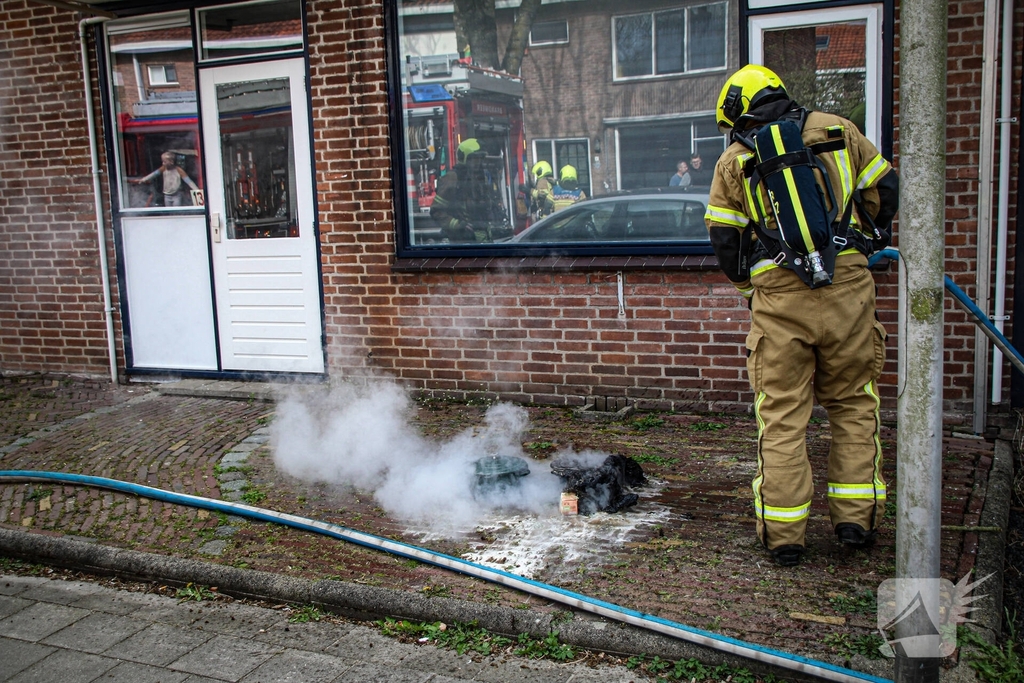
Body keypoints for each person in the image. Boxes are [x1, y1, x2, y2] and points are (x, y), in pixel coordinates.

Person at [704, 64, 899, 567]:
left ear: (737, 112)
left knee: (783, 417)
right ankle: (856, 520)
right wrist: (860, 245)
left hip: (778, 299)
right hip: (848, 290)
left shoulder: (734, 160)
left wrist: (752, 288)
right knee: (854, 404)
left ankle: (785, 536)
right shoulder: (840, 130)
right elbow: (885, 191)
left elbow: (726, 241)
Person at [430, 138, 504, 242]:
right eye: (475, 158)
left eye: (480, 158)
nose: (478, 163)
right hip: (464, 240)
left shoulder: (481, 177)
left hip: (484, 238)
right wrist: (458, 225)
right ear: (464, 158)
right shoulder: (452, 178)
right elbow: (436, 211)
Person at [130, 151, 200, 207]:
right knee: (169, 211)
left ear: (171, 162)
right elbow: (153, 174)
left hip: (176, 194)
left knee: (177, 211)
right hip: (167, 195)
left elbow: (188, 181)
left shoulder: (179, 170)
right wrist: (143, 180)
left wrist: (197, 190)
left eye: (165, 162)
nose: (163, 163)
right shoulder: (163, 169)